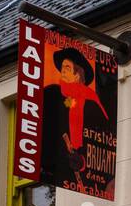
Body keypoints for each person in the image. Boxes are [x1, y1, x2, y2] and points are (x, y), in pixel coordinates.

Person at [42, 46, 111, 190]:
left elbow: (103, 142)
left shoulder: (91, 104)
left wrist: (83, 161)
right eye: (62, 67)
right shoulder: (53, 95)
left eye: (67, 67)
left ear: (77, 75)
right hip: (57, 171)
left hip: (84, 179)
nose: (63, 71)